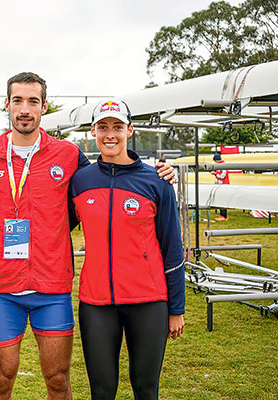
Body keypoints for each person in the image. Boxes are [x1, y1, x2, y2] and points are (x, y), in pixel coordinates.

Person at [0, 73, 176, 399]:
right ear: (6, 105)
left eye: (33, 101)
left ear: (43, 107)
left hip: (52, 287)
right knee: (1, 379)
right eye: (17, 101)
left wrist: (156, 174)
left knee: (59, 380)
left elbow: (107, 181)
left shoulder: (68, 155)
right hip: (3, 288)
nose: (24, 109)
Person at [71, 98, 185, 400]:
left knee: (146, 389)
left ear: (130, 130)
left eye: (117, 127)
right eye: (103, 127)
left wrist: (177, 309)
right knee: (102, 390)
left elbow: (172, 247)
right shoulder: (80, 181)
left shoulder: (156, 180)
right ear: (93, 132)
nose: (110, 134)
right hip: (95, 302)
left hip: (148, 301)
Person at [211, 153, 230, 221]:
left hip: (224, 185)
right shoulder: (219, 166)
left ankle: (224, 216)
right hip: (219, 185)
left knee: (223, 201)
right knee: (220, 200)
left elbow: (222, 176)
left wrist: (215, 174)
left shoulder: (223, 166)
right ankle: (222, 215)